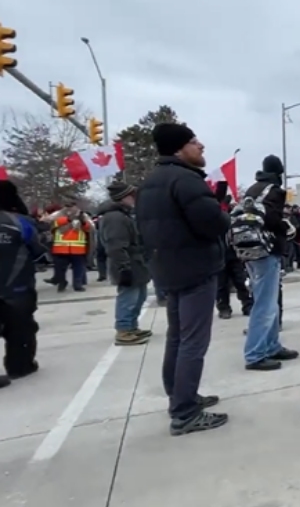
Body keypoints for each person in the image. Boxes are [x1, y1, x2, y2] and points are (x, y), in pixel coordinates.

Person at [135, 123, 228, 436]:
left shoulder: (150, 183)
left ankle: (180, 396)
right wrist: (221, 209)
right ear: (178, 148)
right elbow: (213, 223)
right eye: (194, 141)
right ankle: (184, 412)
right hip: (195, 269)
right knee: (193, 341)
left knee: (177, 336)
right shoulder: (186, 180)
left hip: (168, 269)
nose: (201, 146)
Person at [240, 155, 299, 371]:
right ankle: (255, 354)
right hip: (267, 249)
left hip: (249, 249)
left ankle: (272, 346)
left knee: (267, 301)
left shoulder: (253, 189)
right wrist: (286, 227)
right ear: (279, 173)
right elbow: (272, 221)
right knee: (265, 304)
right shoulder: (274, 190)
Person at [97, 182, 153, 346]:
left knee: (139, 296)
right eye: (132, 195)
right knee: (128, 297)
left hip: (135, 262)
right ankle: (123, 330)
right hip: (127, 263)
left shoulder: (123, 214)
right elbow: (115, 245)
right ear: (123, 197)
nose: (134, 199)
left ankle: (131, 327)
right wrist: (123, 267)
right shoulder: (115, 218)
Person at [0, 180, 44, 388]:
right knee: (20, 329)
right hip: (15, 287)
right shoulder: (20, 222)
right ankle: (20, 366)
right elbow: (38, 250)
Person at [217, 197, 252, 320]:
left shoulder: (233, 218)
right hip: (219, 256)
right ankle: (224, 307)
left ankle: (247, 305)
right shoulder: (213, 220)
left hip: (234, 255)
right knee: (221, 285)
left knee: (241, 281)